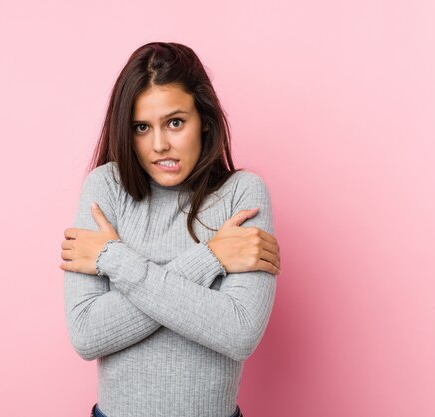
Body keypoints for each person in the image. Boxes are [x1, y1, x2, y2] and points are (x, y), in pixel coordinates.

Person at [59, 41, 281, 417]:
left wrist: (114, 259)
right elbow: (87, 334)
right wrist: (211, 257)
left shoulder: (242, 194)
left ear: (204, 120)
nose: (159, 145)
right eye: (142, 127)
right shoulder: (105, 188)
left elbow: (239, 333)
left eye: (175, 122)